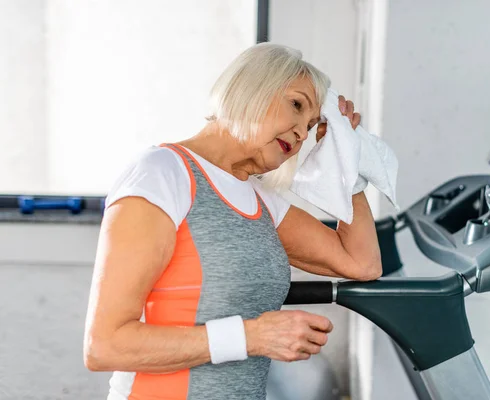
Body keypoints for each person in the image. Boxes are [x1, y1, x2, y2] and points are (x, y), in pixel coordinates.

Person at [83, 42, 382, 400]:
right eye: (296, 105)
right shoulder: (162, 174)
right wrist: (252, 337)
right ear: (250, 86)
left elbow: (361, 262)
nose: (302, 133)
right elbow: (105, 345)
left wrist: (346, 159)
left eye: (311, 125)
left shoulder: (260, 199)